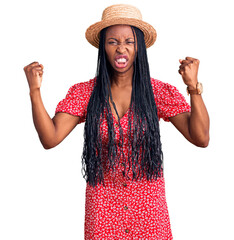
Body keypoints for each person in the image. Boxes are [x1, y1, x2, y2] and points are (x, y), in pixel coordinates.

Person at [23, 4, 210, 240]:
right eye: (112, 42)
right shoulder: (85, 93)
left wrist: (193, 87)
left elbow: (201, 138)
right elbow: (50, 138)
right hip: (102, 209)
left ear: (139, 47)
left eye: (129, 42)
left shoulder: (157, 92)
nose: (121, 48)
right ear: (103, 48)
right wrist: (35, 91)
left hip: (149, 211)